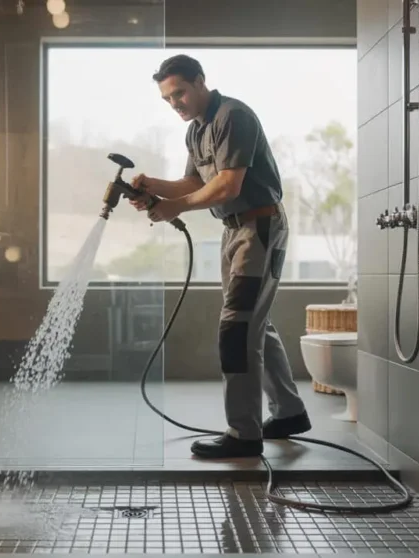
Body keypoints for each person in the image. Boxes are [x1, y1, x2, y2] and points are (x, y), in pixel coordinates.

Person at [130, 54, 312, 459]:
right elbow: (194, 182)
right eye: (167, 98)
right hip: (234, 231)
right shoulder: (195, 131)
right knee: (254, 325)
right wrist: (151, 186)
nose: (175, 102)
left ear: (200, 82)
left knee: (236, 327)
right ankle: (289, 413)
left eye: (179, 92)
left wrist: (175, 208)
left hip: (260, 227)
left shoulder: (234, 116)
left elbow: (228, 185)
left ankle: (244, 434)